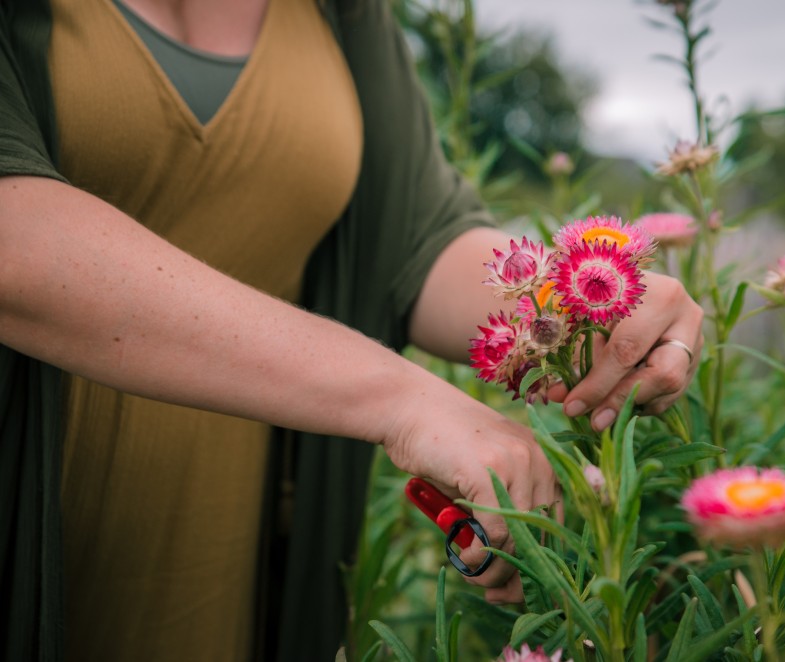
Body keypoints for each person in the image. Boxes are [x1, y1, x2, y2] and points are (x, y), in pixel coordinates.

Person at [0, 0, 704, 659]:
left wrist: (582, 306)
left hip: (219, 564)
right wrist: (402, 399)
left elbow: (417, 241)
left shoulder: (340, 11)